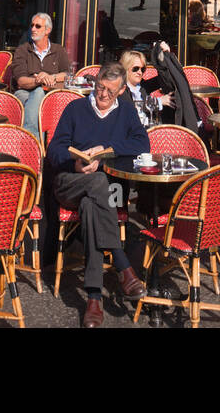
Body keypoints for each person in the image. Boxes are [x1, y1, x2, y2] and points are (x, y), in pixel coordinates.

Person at [47, 63, 149, 328]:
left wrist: (107, 152)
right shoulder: (75, 109)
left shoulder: (126, 111)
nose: (103, 95)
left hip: (102, 190)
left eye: (110, 91)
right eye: (100, 87)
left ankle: (93, 298)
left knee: (94, 201)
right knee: (98, 183)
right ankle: (123, 264)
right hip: (69, 181)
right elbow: (54, 150)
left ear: (122, 90)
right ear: (95, 82)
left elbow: (142, 144)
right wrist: (75, 160)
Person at [11, 12, 70, 135]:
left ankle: (33, 142)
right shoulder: (23, 50)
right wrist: (39, 80)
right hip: (25, 92)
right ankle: (33, 141)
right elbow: (21, 81)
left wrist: (51, 77)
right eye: (32, 25)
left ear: (47, 30)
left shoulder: (58, 50)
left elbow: (68, 74)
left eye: (38, 26)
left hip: (52, 94)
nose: (33, 29)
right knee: (38, 92)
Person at [119, 48, 173, 124]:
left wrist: (165, 56)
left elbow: (164, 77)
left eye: (142, 69)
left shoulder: (142, 85)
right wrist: (158, 102)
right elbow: (131, 108)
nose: (140, 72)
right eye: (136, 68)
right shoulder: (119, 87)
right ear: (125, 68)